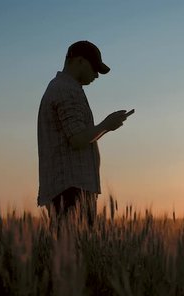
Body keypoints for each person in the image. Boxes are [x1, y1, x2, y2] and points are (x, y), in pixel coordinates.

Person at [37, 40, 133, 224]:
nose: (97, 75)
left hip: (66, 187)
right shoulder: (67, 91)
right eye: (94, 68)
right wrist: (106, 125)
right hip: (72, 189)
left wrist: (106, 127)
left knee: (67, 249)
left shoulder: (59, 87)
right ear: (79, 61)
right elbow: (78, 139)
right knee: (75, 249)